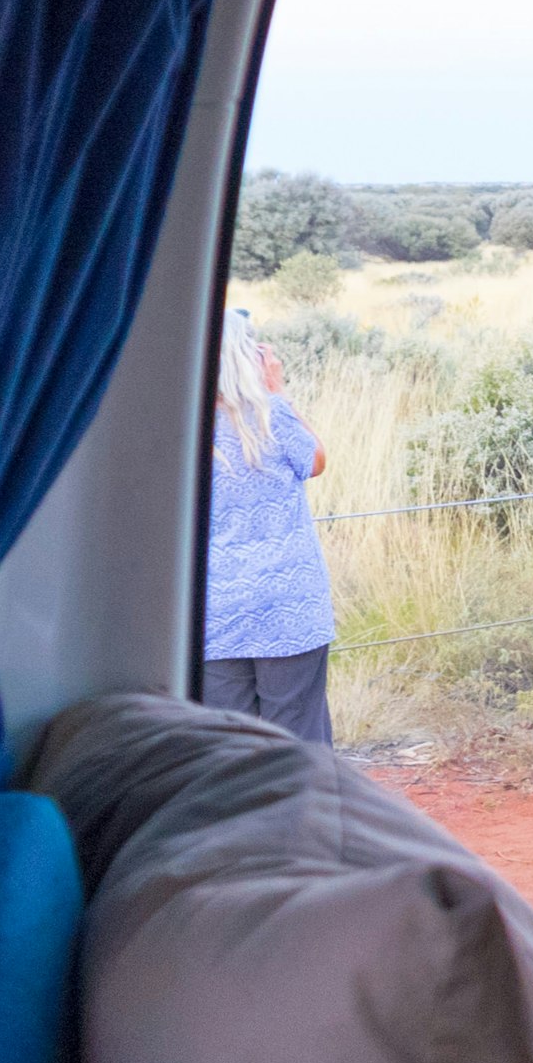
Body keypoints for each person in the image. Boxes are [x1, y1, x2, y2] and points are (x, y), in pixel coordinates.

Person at [202, 310, 335, 743]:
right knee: (299, 742)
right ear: (249, 358)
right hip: (289, 609)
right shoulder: (271, 415)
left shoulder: (187, 424)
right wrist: (277, 391)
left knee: (234, 748)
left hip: (218, 610)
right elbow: (314, 461)